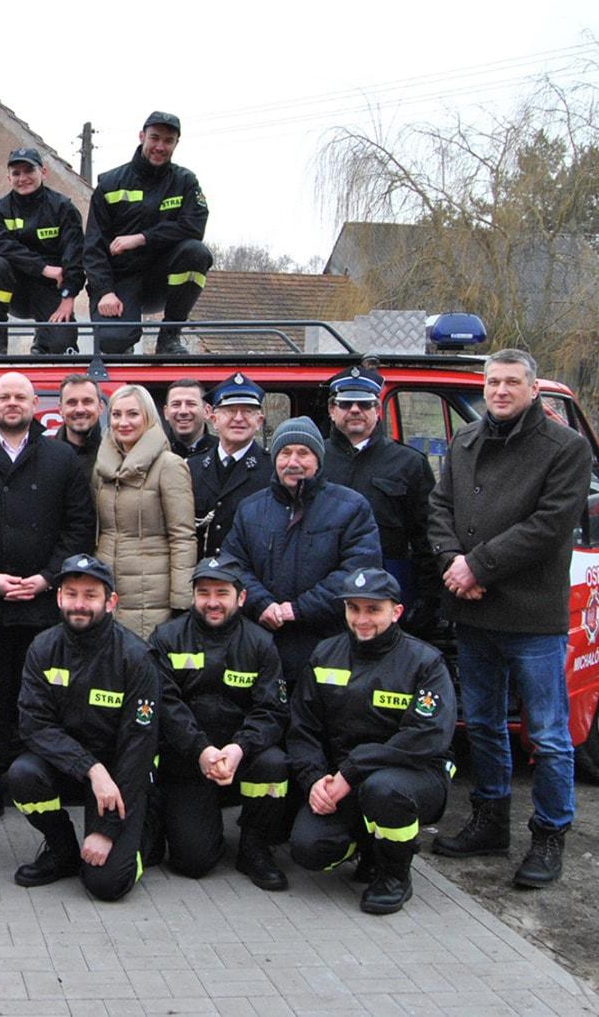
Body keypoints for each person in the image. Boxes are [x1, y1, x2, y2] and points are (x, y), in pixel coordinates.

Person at [427, 349, 591, 888]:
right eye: (493, 382)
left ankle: (549, 833)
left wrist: (476, 566)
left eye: (511, 383)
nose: (499, 391)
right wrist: (453, 561)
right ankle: (490, 819)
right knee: (484, 725)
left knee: (547, 733)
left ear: (532, 388)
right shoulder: (465, 441)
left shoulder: (564, 447)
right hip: (473, 612)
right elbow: (440, 508)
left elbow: (550, 525)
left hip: (530, 616)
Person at [0, 372, 96, 826]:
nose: (12, 403)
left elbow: (79, 527)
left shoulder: (61, 458)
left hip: (42, 607)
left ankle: (35, 783)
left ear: (34, 404)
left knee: (41, 702)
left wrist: (48, 578)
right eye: (4, 396)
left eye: (20, 396)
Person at [287, 569, 455, 915]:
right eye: (354, 608)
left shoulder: (424, 662)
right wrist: (314, 780)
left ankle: (394, 875)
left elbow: (425, 737)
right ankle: (368, 846)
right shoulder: (325, 654)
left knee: (384, 790)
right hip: (343, 781)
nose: (362, 619)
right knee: (309, 850)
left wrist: (351, 771)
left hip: (410, 776)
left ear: (396, 612)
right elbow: (303, 727)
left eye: (373, 610)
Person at [6, 555, 160, 901]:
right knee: (23, 775)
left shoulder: (135, 658)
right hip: (78, 767)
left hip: (122, 775)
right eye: (71, 593)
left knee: (107, 885)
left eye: (90, 595)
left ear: (111, 602)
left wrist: (107, 831)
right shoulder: (43, 648)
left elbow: (139, 748)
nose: (79, 604)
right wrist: (90, 768)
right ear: (58, 597)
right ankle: (62, 850)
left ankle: (144, 836)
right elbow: (33, 725)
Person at [147, 555, 290, 890]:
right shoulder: (166, 638)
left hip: (241, 756)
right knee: (193, 863)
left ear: (240, 598)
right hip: (186, 760)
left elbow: (272, 711)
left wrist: (239, 748)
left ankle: (254, 846)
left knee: (275, 764)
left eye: (222, 593)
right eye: (204, 592)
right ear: (193, 596)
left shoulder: (260, 643)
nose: (212, 602)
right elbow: (165, 706)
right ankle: (168, 822)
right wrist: (201, 750)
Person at [222, 416, 381, 684]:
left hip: (329, 643)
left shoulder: (351, 507)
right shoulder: (250, 508)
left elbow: (358, 570)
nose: (293, 462)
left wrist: (299, 609)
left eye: (303, 453)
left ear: (318, 459)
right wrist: (262, 603)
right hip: (263, 641)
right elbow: (233, 564)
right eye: (285, 453)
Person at [320, 365, 439, 634]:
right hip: (324, 592)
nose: (354, 410)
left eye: (364, 403)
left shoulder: (409, 463)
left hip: (386, 591)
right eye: (346, 403)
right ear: (331, 409)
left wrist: (428, 599)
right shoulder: (314, 459)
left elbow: (426, 536)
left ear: (378, 410)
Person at [82, 112, 211, 355]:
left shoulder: (185, 182)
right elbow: (93, 246)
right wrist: (104, 291)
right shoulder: (110, 183)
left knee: (196, 253)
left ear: (176, 144)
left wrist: (142, 238)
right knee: (112, 341)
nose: (160, 147)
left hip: (161, 277)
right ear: (142, 137)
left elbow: (194, 227)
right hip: (121, 279)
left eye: (168, 141)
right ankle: (124, 341)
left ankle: (169, 337)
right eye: (155, 138)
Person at [92, 384, 196, 639]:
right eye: (116, 415)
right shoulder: (101, 468)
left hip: (152, 596)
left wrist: (182, 601)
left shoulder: (169, 466)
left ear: (148, 417)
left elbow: (182, 536)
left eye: (133, 414)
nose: (123, 422)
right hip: (109, 589)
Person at [0, 146, 85, 356]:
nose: (22, 178)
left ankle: (43, 342)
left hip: (51, 289)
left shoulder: (63, 208)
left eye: (29, 171)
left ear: (43, 172)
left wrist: (68, 297)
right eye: (16, 173)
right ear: (9, 178)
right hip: (15, 290)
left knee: (63, 348)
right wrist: (43, 267)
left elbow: (75, 256)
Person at [190, 373, 272, 558]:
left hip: (249, 578)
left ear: (259, 421)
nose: (238, 418)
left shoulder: (272, 470)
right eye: (229, 410)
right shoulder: (191, 468)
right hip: (201, 579)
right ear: (213, 418)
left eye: (248, 411)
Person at [161, 378, 215, 460]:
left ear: (207, 411)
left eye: (191, 404)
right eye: (176, 404)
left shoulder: (221, 452)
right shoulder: (156, 453)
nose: (183, 411)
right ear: (166, 412)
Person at [56, 374, 104, 460]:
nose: (80, 410)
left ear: (100, 407)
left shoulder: (117, 456)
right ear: (60, 409)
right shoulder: (44, 457)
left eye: (87, 402)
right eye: (72, 403)